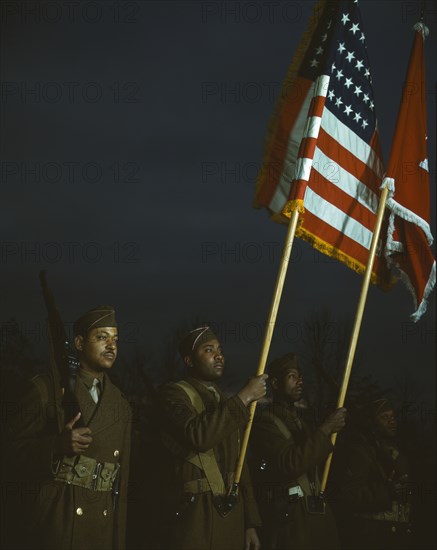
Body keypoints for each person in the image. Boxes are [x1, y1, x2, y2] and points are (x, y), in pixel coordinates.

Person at [5, 306, 131, 550]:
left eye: (115, 339)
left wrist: (118, 539)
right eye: (102, 337)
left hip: (101, 528)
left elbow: (121, 486)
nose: (112, 346)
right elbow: (9, 453)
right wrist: (55, 446)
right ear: (80, 343)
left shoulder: (121, 405)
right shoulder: (46, 389)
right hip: (56, 522)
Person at [158, 326, 266, 550]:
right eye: (209, 350)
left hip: (232, 517)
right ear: (189, 360)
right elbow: (198, 436)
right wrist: (244, 396)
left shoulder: (223, 401)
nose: (219, 355)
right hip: (196, 517)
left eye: (220, 349)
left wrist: (250, 523)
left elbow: (240, 463)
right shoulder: (173, 394)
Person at [250, 352, 346, 550]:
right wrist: (326, 428)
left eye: (300, 376)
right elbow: (289, 464)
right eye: (292, 376)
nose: (299, 381)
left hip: (315, 518)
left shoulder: (302, 422)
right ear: (275, 383)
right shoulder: (265, 422)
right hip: (291, 522)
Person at [331, 397, 414, 550]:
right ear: (372, 423)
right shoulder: (359, 451)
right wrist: (386, 491)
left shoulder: (395, 452)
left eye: (393, 416)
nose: (392, 421)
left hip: (396, 537)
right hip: (370, 537)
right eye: (384, 417)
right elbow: (347, 495)